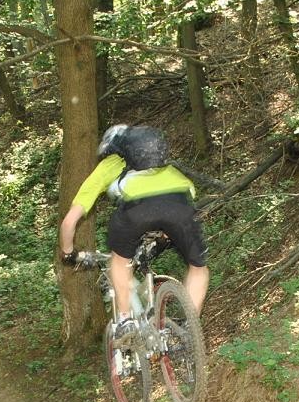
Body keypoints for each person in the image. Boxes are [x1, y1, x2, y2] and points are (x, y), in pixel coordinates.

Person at [59, 125, 209, 338]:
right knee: (199, 268)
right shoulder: (165, 166)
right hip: (180, 205)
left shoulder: (109, 165)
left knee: (119, 261)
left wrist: (68, 253)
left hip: (136, 210)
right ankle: (190, 332)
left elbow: (69, 222)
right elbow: (181, 199)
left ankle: (125, 320)